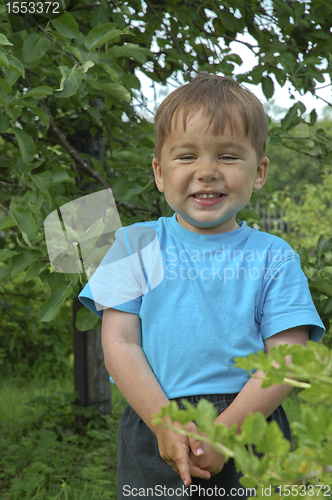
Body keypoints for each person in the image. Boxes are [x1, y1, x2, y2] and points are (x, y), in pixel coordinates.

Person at [79, 74, 325, 499]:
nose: (207, 172)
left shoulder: (274, 256)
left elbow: (288, 357)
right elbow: (119, 344)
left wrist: (224, 432)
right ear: (159, 172)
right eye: (186, 156)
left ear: (259, 172)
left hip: (251, 423)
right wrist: (164, 422)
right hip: (155, 417)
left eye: (228, 157)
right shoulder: (134, 245)